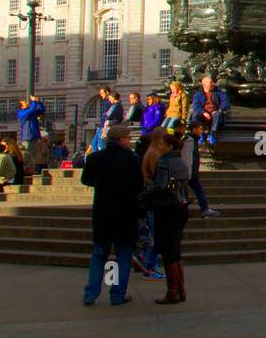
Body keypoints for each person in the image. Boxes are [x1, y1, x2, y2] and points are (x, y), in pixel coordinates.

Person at [80, 125, 143, 306]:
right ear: (121, 139)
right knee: (122, 256)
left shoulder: (95, 158)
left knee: (100, 254)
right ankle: (116, 294)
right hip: (125, 213)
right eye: (127, 138)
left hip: (103, 211)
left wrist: (103, 183)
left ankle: (91, 294)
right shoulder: (131, 159)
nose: (129, 141)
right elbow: (139, 186)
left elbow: (86, 179)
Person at [143, 131, 191, 305]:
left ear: (170, 146)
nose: (160, 146)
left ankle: (172, 291)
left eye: (163, 144)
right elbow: (184, 184)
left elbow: (161, 186)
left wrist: (145, 197)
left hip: (167, 208)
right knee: (175, 249)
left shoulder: (164, 162)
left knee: (167, 249)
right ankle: (181, 289)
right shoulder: (181, 162)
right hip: (182, 206)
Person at [180, 126, 220, 219]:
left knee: (187, 193)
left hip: (191, 171)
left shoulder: (192, 140)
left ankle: (201, 209)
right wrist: (189, 172)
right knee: (198, 191)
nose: (201, 131)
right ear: (194, 129)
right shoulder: (189, 141)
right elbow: (188, 157)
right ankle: (204, 209)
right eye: (200, 129)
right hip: (190, 172)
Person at [192, 75, 231, 144]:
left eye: (213, 82)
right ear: (205, 84)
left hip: (215, 112)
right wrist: (204, 112)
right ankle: (201, 134)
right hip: (203, 113)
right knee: (196, 115)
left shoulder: (219, 92)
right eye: (211, 82)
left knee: (217, 114)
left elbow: (226, 102)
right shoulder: (198, 94)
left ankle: (212, 133)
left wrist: (220, 110)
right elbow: (196, 105)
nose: (213, 84)